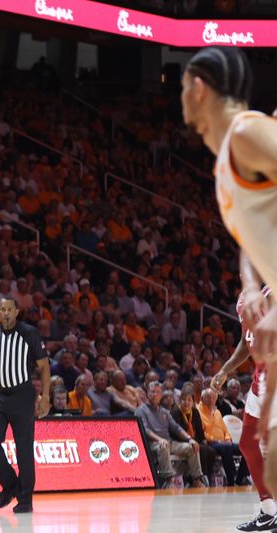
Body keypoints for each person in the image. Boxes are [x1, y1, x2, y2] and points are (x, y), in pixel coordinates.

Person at [181, 46, 277, 500]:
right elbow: (253, 239)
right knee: (259, 449)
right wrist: (248, 283)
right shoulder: (229, 160)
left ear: (199, 90)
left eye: (181, 85)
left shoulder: (246, 133)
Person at [0, 297, 50, 513]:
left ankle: (25, 500)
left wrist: (45, 397)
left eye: (10, 309)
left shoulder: (29, 332)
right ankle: (10, 486)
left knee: (23, 448)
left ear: (17, 311)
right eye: (2, 309)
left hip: (22, 395)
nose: (6, 313)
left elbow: (43, 366)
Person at [212, 286, 276, 530]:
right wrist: (225, 369)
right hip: (260, 379)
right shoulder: (245, 299)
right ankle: (268, 510)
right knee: (248, 443)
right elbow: (246, 340)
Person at [135, 381, 205, 488]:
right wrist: (159, 439)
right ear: (147, 393)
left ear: (161, 395)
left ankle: (196, 479)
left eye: (158, 392)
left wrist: (189, 438)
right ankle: (169, 480)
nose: (155, 394)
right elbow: (145, 429)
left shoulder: (164, 412)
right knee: (163, 445)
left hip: (169, 442)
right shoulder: (141, 410)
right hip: (152, 443)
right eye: (152, 392)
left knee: (192, 447)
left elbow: (176, 428)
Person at [198, 388, 249, 486]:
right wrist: (217, 440)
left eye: (213, 398)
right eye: (209, 398)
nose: (211, 400)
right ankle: (231, 479)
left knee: (247, 448)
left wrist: (228, 438)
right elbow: (201, 433)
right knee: (226, 447)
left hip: (223, 442)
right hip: (210, 443)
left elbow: (225, 430)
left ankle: (241, 478)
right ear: (202, 398)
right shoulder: (198, 411)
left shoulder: (217, 412)